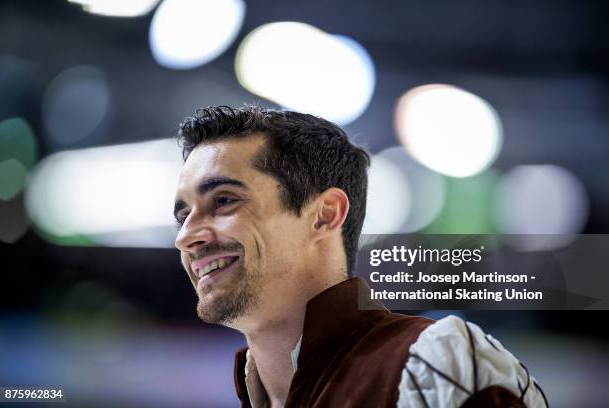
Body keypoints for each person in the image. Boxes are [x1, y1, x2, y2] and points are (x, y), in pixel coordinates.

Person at [173, 105, 548, 408]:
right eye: (183, 215)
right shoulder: (258, 391)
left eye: (223, 200)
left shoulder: (435, 368)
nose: (186, 236)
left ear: (324, 215)